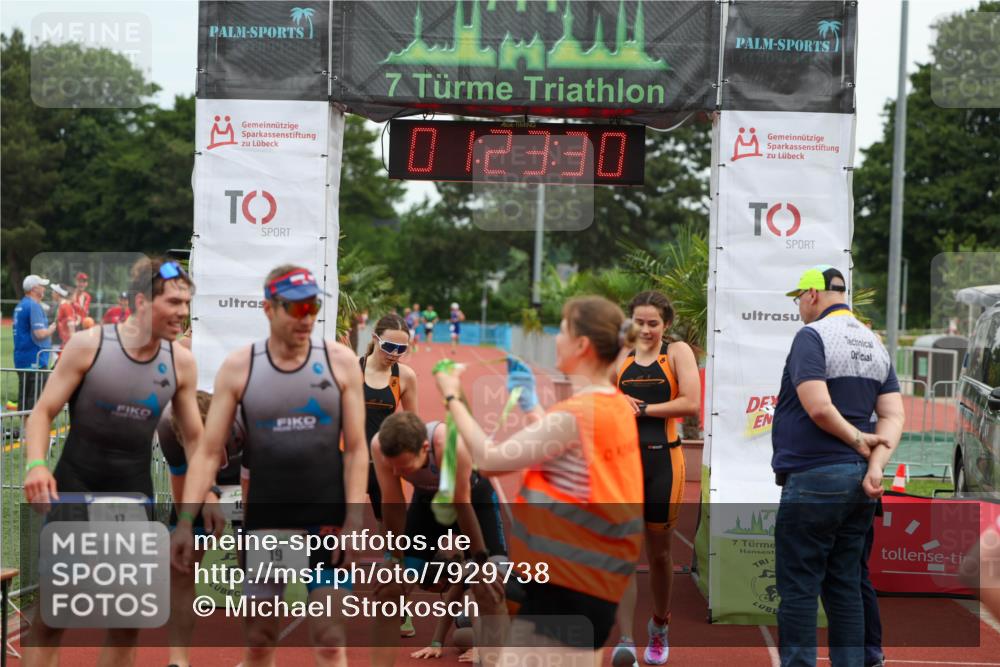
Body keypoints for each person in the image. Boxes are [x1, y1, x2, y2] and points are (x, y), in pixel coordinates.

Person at [170, 264, 368, 667]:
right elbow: (209, 452)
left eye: (312, 306)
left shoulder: (342, 362)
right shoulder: (240, 366)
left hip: (325, 517)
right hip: (269, 518)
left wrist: (353, 517)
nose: (306, 317)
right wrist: (187, 521)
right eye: (294, 308)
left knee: (330, 639)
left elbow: (358, 448)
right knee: (260, 641)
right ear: (268, 308)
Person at [434, 296, 644, 667]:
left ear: (581, 345)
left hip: (566, 591)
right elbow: (566, 449)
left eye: (561, 330)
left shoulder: (576, 414)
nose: (555, 340)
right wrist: (531, 406)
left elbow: (490, 460)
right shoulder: (613, 404)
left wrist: (451, 395)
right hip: (591, 585)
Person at [21, 257, 204, 667]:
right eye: (173, 302)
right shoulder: (90, 345)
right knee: (53, 615)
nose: (183, 313)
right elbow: (42, 412)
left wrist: (193, 509)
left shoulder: (181, 362)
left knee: (126, 622)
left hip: (131, 496)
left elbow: (196, 442)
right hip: (74, 487)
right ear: (142, 301)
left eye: (186, 303)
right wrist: (35, 465)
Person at [772, 265, 905, 667]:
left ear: (813, 294)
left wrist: (856, 440)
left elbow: (818, 406)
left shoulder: (811, 337)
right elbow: (894, 416)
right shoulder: (873, 341)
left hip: (814, 476)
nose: (798, 306)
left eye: (799, 297)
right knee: (845, 586)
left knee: (798, 588)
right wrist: (875, 465)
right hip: (858, 483)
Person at [370, 411, 507, 665]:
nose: (397, 472)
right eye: (393, 466)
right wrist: (395, 559)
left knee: (488, 586)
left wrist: (480, 560)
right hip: (426, 503)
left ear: (424, 448)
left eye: (404, 466)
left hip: (474, 501)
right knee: (391, 587)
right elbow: (393, 503)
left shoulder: (447, 443)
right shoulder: (380, 445)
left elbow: (461, 504)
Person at [612, 291, 700, 667]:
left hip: (664, 462)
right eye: (639, 322)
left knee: (660, 554)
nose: (645, 330)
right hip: (622, 464)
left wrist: (643, 408)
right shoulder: (621, 355)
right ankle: (626, 638)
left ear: (666, 324)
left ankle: (660, 626)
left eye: (653, 323)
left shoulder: (677, 352)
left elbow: (691, 403)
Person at [157, 392, 245, 667]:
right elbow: (181, 485)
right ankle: (178, 660)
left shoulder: (247, 421)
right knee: (180, 566)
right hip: (197, 480)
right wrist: (187, 522)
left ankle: (258, 656)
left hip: (250, 475)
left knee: (260, 569)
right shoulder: (168, 427)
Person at [361, 313, 419, 637]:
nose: (395, 353)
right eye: (389, 346)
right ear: (374, 338)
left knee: (395, 545)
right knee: (334, 536)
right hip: (351, 466)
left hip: (384, 469)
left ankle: (400, 611)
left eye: (402, 348)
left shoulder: (405, 376)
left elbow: (413, 426)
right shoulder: (352, 370)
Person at [12, 275, 57, 410]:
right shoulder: (33, 306)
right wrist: (51, 328)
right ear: (34, 289)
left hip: (23, 359)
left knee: (25, 401)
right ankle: (31, 431)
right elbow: (40, 334)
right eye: (42, 286)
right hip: (35, 361)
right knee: (34, 404)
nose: (44, 288)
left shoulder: (22, 304)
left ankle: (24, 430)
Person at [52, 284, 79, 350]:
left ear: (57, 293)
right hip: (63, 342)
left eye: (53, 291)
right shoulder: (62, 305)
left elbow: (71, 325)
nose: (52, 293)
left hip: (66, 344)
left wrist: (72, 345)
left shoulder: (65, 306)